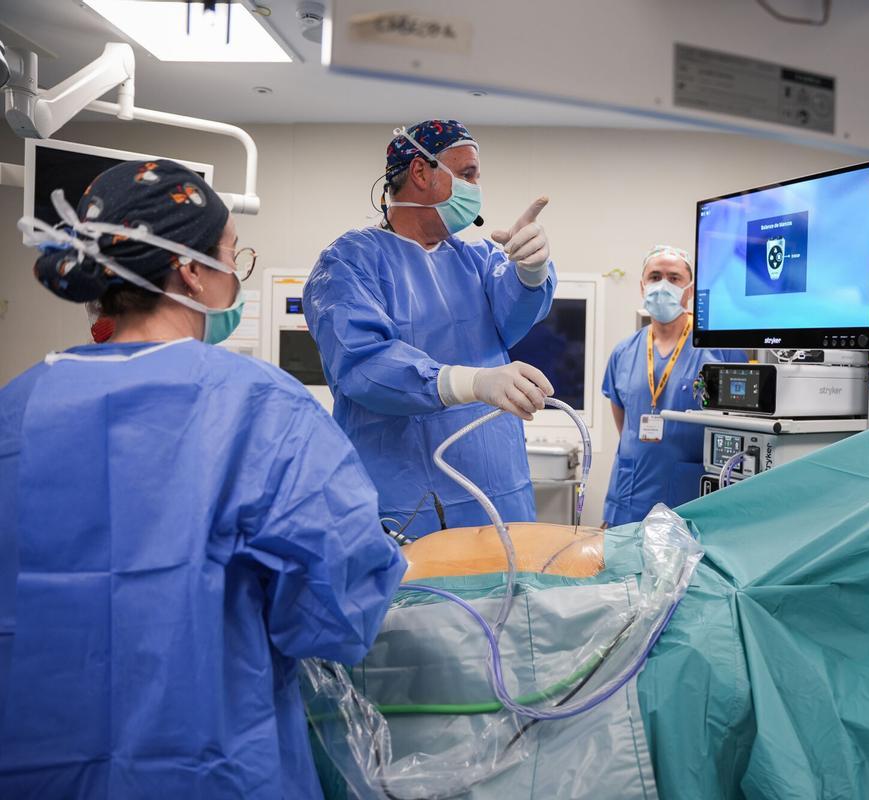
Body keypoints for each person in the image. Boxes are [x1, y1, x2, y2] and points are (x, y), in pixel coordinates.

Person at [0, 160, 405, 798]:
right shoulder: (261, 408)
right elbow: (337, 613)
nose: (234, 275)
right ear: (191, 270)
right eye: (231, 256)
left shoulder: (16, 410)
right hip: (212, 768)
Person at [304, 120, 557, 538]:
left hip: (498, 493)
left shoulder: (477, 261)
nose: (475, 187)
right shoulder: (349, 263)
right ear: (421, 171)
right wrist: (471, 382)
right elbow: (362, 365)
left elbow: (514, 316)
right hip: (404, 505)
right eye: (467, 174)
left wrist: (531, 272)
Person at [602, 245, 744, 527]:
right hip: (629, 498)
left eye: (674, 277)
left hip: (689, 500)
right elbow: (625, 422)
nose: (663, 285)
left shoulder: (720, 349)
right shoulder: (623, 352)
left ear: (689, 290)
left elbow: (739, 424)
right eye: (655, 277)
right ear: (642, 286)